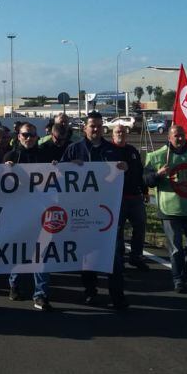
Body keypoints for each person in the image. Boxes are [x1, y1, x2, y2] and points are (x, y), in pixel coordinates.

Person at [60, 111, 129, 311]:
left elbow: (123, 174)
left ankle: (118, 296)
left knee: (113, 255)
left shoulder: (112, 150)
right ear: (85, 128)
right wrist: (69, 166)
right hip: (82, 210)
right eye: (92, 125)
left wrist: (124, 167)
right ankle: (90, 291)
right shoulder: (74, 149)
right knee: (87, 255)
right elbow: (59, 172)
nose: (96, 129)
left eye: (99, 125)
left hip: (108, 211)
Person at [144, 124, 187, 292]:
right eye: (176, 136)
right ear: (169, 138)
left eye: (182, 135)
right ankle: (178, 279)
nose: (179, 139)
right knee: (175, 247)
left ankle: (182, 263)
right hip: (170, 209)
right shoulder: (157, 157)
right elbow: (145, 180)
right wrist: (157, 175)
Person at [3, 122, 53, 309]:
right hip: (18, 213)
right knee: (20, 252)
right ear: (19, 136)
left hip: (42, 212)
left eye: (32, 135)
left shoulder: (45, 156)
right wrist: (5, 169)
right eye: (25, 135)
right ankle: (14, 284)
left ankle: (40, 293)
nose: (29, 138)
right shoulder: (11, 156)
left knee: (41, 254)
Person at [111, 124, 149, 270]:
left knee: (140, 226)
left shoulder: (132, 150)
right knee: (118, 230)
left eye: (123, 131)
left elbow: (140, 172)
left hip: (135, 197)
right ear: (113, 135)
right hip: (117, 198)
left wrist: (145, 191)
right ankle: (119, 258)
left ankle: (136, 256)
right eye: (117, 131)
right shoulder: (109, 150)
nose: (120, 133)